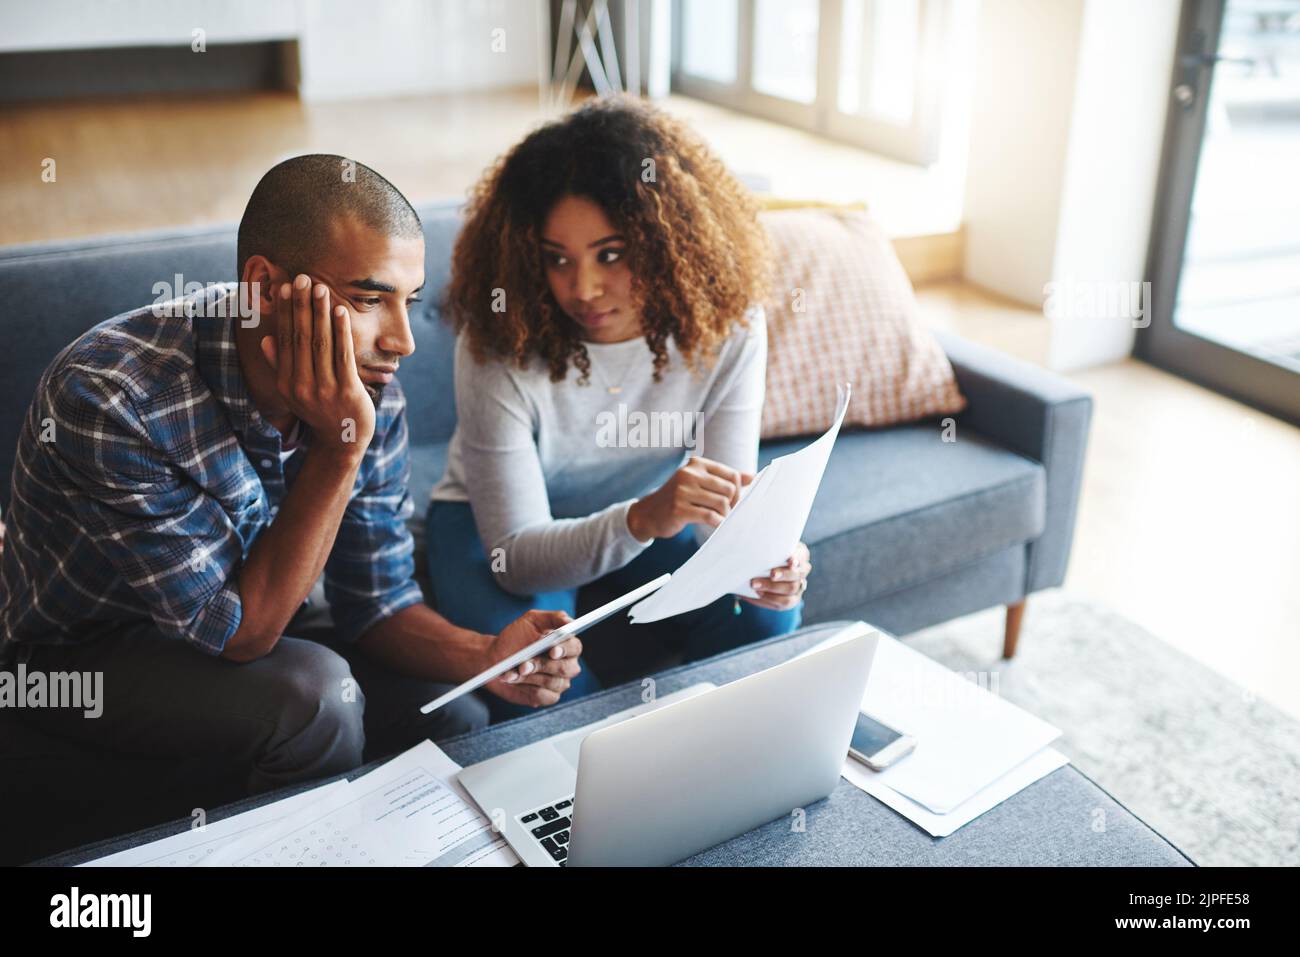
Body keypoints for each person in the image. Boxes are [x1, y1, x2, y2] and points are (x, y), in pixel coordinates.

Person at [0, 155, 583, 795]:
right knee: (315, 701)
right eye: (367, 299)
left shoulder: (368, 378)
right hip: (84, 656)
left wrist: (488, 657)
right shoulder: (113, 398)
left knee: (455, 710)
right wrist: (338, 450)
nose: (402, 341)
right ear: (263, 287)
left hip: (266, 605)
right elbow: (239, 635)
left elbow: (377, 599)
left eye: (407, 303)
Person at [427, 97, 812, 721]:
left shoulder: (730, 324)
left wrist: (769, 564)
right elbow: (520, 558)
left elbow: (727, 510)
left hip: (649, 519)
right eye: (558, 259)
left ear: (668, 243)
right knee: (542, 687)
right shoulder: (500, 339)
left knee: (769, 618)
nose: (582, 289)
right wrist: (641, 519)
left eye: (610, 254)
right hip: (499, 531)